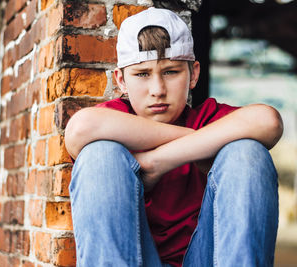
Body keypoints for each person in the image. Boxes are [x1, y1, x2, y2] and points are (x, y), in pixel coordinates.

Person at [64, 7, 283, 267]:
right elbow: (79, 129)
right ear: (121, 80)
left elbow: (268, 121)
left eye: (170, 72)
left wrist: (156, 161)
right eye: (142, 74)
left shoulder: (206, 117)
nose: (157, 90)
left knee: (247, 152)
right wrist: (198, 141)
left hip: (205, 258)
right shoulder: (117, 119)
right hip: (135, 258)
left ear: (194, 74)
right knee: (99, 155)